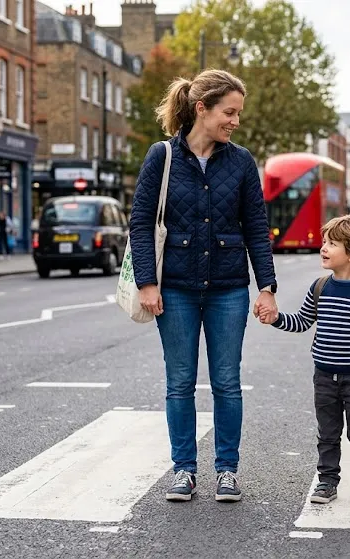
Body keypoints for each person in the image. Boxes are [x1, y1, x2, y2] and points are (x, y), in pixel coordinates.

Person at [130, 69, 277, 503]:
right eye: (229, 112)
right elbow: (141, 223)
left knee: (227, 382)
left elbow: (256, 227)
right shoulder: (162, 156)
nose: (235, 121)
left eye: (238, 113)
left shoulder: (241, 161)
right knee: (179, 382)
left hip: (228, 287)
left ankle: (227, 471)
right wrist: (147, 282)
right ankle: (184, 470)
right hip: (174, 287)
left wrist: (266, 286)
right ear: (202, 109)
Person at [262, 215, 350, 507]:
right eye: (325, 242)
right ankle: (327, 482)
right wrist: (276, 318)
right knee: (327, 434)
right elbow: (302, 321)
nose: (324, 248)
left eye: (332, 244)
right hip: (324, 377)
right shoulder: (320, 287)